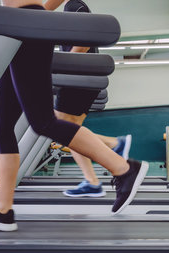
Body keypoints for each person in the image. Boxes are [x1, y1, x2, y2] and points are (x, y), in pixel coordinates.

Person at [0, 0, 148, 231]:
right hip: (12, 27)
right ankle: (2, 209)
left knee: (43, 121)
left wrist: (39, 19)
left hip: (25, 24)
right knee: (1, 123)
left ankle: (124, 168)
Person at [48, 0, 132, 198]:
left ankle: (114, 145)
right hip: (82, 79)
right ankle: (92, 180)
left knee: (63, 129)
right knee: (70, 131)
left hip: (77, 78)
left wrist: (65, 65)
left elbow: (86, 39)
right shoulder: (73, 7)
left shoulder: (73, 6)